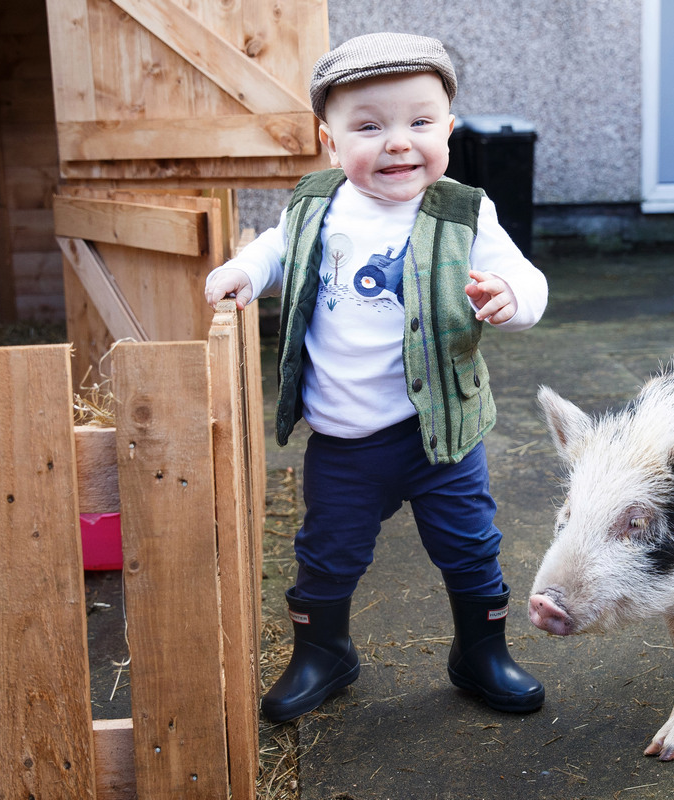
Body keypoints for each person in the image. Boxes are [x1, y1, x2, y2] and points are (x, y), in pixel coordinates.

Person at [205, 32, 548, 722]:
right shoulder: (315, 205)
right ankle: (323, 653)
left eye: (420, 123)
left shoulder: (463, 210)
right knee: (327, 553)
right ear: (328, 140)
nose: (398, 143)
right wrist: (245, 272)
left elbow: (524, 276)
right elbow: (276, 251)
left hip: (441, 435)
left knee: (470, 545)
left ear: (447, 130)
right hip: (344, 438)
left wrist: (513, 301)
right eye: (370, 126)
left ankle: (480, 652)